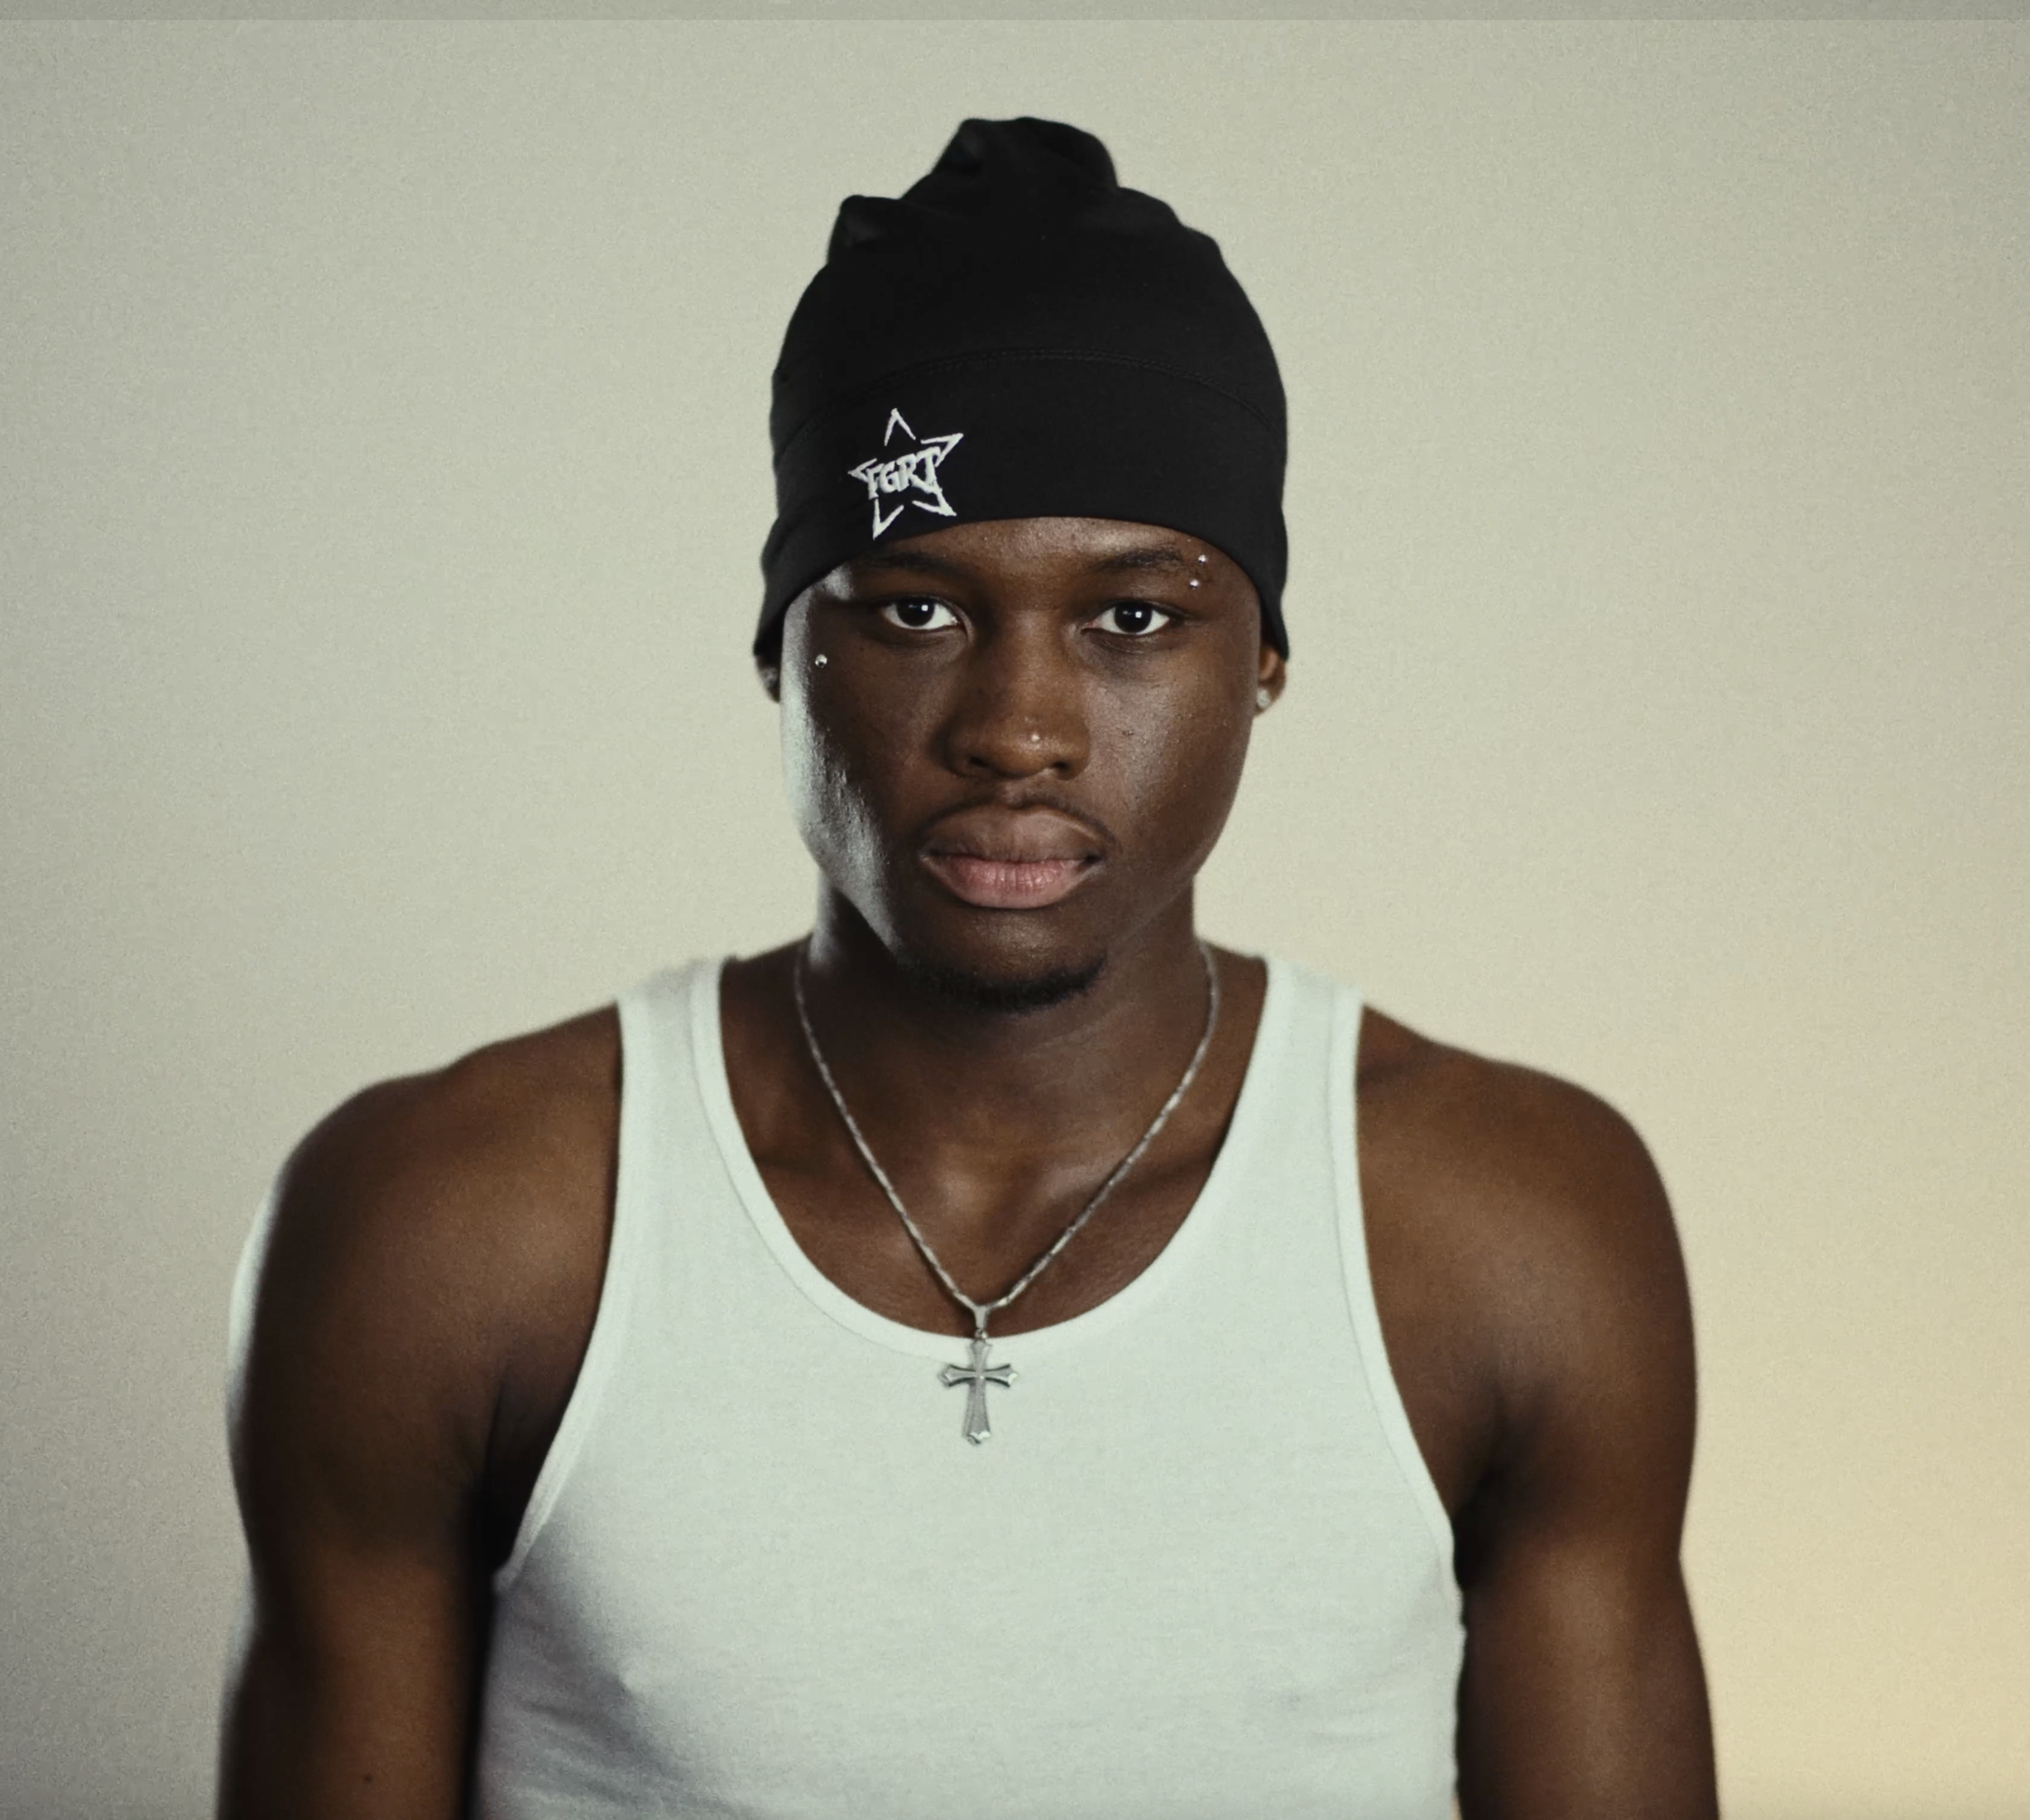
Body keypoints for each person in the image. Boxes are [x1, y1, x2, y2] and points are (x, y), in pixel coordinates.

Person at [219, 117, 1717, 1819]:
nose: (1017, 729)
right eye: (915, 609)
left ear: (1265, 661)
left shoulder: (1510, 1233)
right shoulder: (450, 1226)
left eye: (1132, 617)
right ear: (781, 643)